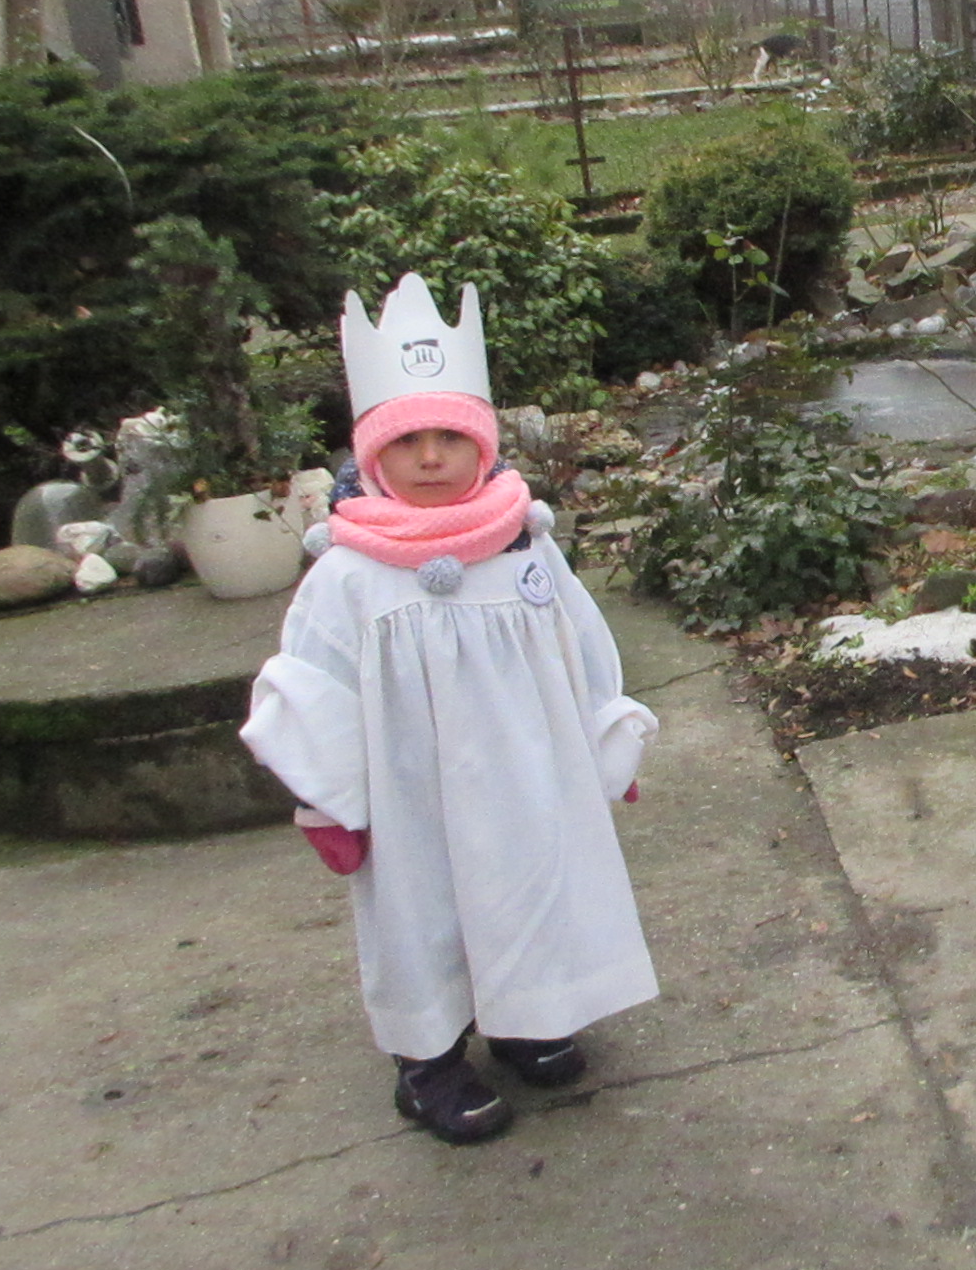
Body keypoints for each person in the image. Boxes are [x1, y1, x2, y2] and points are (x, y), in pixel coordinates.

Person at [241, 274, 661, 1143]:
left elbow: (578, 644)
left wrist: (605, 738)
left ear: (482, 446)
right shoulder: (350, 574)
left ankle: (528, 1017)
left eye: (450, 437)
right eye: (407, 441)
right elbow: (315, 685)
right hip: (413, 793)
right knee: (423, 910)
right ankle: (426, 1060)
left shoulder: (523, 548)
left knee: (532, 889)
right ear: (373, 457)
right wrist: (328, 804)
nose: (430, 457)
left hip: (527, 777)